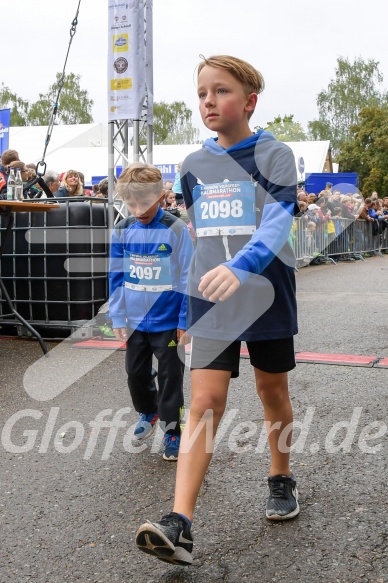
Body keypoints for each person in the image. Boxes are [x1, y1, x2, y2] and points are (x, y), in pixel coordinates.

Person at [135, 54, 300, 565]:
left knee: (271, 390)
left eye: (222, 91)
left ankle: (280, 476)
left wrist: (243, 265)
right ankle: (179, 522)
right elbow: (202, 241)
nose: (209, 100)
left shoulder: (276, 155)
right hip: (211, 298)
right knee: (204, 401)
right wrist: (189, 307)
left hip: (264, 292)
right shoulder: (191, 167)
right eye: (203, 92)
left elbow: (278, 223)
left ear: (249, 101)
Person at [109, 162, 193, 461]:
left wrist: (186, 320)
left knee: (171, 376)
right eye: (130, 203)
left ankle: (173, 431)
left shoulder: (176, 229)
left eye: (143, 202)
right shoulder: (122, 229)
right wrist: (118, 315)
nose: (137, 209)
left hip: (169, 322)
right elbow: (116, 275)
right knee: (135, 373)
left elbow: (187, 278)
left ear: (160, 196)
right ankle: (149, 411)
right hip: (135, 322)